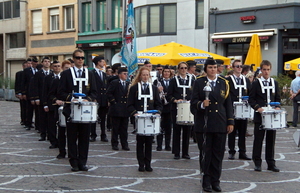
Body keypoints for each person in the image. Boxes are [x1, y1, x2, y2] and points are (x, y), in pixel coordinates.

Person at [191, 57, 234, 192]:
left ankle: (216, 180)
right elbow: (193, 104)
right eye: (210, 68)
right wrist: (201, 105)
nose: (213, 70)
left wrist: (230, 121)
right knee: (206, 153)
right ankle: (206, 180)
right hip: (204, 123)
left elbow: (228, 104)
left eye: (215, 68)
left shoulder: (224, 82)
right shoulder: (199, 82)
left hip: (220, 122)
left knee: (218, 153)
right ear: (205, 69)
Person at [58, 49, 97, 171]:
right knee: (72, 137)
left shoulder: (90, 74)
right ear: (73, 59)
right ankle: (73, 162)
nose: (80, 60)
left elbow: (94, 92)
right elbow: (60, 92)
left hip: (85, 111)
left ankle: (83, 161)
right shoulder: (66, 74)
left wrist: (88, 99)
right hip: (71, 109)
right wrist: (71, 98)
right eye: (78, 57)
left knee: (85, 138)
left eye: (82, 58)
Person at [127, 66, 162, 172]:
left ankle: (148, 163)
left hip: (150, 118)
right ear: (140, 76)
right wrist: (135, 113)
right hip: (139, 118)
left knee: (149, 141)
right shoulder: (134, 88)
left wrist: (157, 113)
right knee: (140, 141)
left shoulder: (154, 88)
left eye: (147, 75)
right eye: (143, 74)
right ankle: (141, 164)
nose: (145, 77)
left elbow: (159, 104)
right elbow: (130, 104)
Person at [249, 60, 280, 172]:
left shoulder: (275, 83)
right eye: (264, 69)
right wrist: (258, 108)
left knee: (271, 140)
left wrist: (277, 107)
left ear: (270, 70)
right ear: (261, 70)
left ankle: (271, 163)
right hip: (260, 115)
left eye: (268, 69)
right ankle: (257, 162)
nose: (266, 72)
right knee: (258, 140)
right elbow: (251, 99)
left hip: (271, 116)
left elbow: (277, 98)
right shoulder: (256, 83)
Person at [167, 62, 194, 160]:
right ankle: (176, 152)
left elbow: (195, 93)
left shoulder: (192, 79)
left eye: (185, 68)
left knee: (187, 131)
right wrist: (175, 100)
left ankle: (185, 152)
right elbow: (169, 95)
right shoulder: (174, 80)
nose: (183, 70)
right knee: (177, 131)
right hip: (176, 109)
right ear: (178, 69)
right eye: (181, 68)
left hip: (188, 109)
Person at [227, 60, 252, 160]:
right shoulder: (228, 80)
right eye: (237, 66)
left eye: (240, 66)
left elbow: (250, 92)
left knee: (242, 132)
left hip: (243, 108)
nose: (239, 68)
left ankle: (242, 152)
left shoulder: (245, 80)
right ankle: (231, 151)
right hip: (232, 108)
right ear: (233, 67)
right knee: (231, 131)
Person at [107, 67, 130, 151]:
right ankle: (115, 144)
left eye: (126, 74)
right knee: (115, 128)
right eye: (124, 74)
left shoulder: (128, 84)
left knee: (124, 128)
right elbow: (109, 93)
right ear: (119, 75)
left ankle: (124, 144)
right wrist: (114, 102)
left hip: (125, 109)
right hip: (116, 109)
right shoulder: (115, 83)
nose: (126, 75)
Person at [153, 66, 173, 151]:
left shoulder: (173, 82)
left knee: (168, 127)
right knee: (160, 126)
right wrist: (157, 90)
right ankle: (159, 145)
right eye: (165, 72)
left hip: (169, 107)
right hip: (160, 106)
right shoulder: (157, 81)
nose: (166, 73)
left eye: (168, 72)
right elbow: (153, 92)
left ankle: (168, 144)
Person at [43, 60, 61, 149]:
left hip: (61, 104)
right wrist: (45, 104)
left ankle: (61, 141)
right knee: (51, 124)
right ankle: (53, 141)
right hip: (51, 103)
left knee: (61, 123)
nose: (57, 68)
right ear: (51, 67)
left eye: (58, 66)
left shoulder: (63, 77)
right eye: (55, 66)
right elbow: (45, 91)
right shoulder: (48, 78)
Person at [90, 56, 109, 142]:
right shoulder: (92, 73)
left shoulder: (104, 74)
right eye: (102, 61)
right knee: (93, 118)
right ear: (98, 62)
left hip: (103, 99)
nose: (103, 63)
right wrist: (93, 98)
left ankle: (103, 134)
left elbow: (106, 87)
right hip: (95, 99)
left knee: (103, 118)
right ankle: (93, 134)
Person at [33, 56, 51, 141]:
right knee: (42, 117)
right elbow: (35, 86)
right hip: (41, 97)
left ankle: (50, 134)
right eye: (45, 61)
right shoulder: (38, 73)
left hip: (50, 98)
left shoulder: (52, 73)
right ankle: (43, 134)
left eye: (48, 61)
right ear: (42, 63)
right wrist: (36, 98)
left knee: (50, 118)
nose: (47, 63)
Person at [15, 61, 27, 126]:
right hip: (21, 93)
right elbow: (17, 83)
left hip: (28, 93)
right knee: (23, 107)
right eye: (25, 66)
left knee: (28, 108)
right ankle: (23, 119)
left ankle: (27, 120)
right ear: (23, 66)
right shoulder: (19, 73)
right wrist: (17, 92)